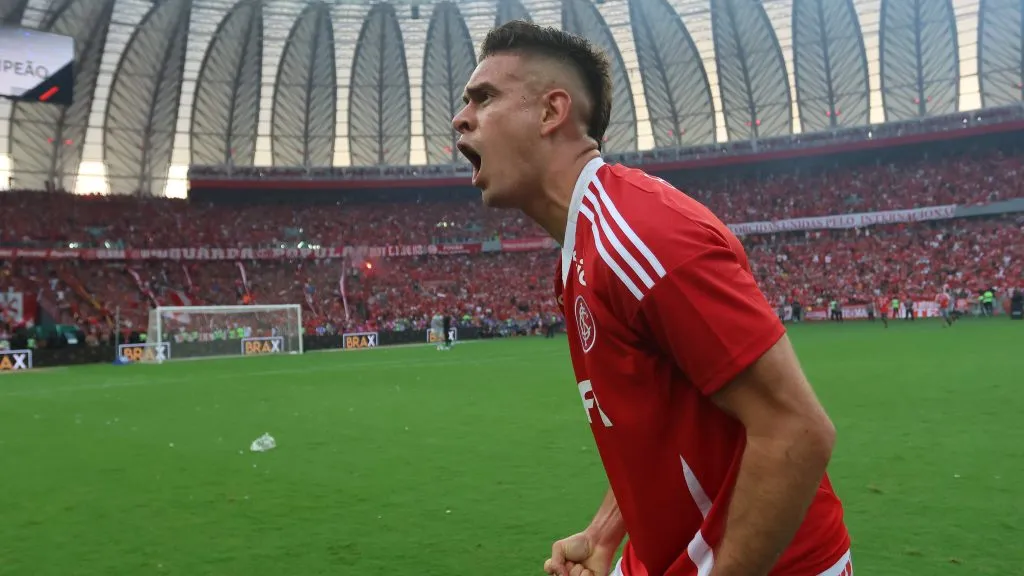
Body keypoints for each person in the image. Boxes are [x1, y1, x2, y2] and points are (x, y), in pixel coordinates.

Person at [453, 21, 851, 576]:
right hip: (671, 553)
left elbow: (798, 430)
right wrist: (604, 531)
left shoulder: (640, 234)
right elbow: (658, 425)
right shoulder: (585, 248)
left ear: (551, 113)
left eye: (484, 97)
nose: (461, 117)